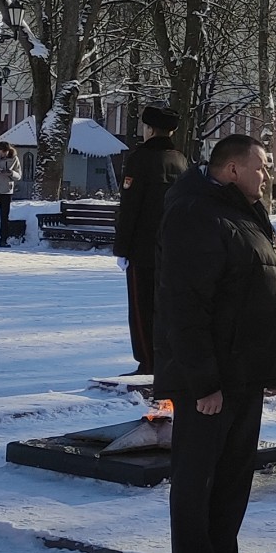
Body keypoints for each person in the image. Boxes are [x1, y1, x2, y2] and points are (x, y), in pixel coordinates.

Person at [154, 134, 276, 553]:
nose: (269, 173)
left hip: (244, 372)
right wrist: (204, 382)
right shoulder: (196, 212)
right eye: (261, 165)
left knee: (234, 480)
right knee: (198, 483)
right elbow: (185, 306)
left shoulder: (242, 209)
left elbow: (265, 288)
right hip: (210, 382)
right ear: (233, 169)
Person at [115, 108, 188, 375]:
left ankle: (147, 361)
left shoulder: (141, 159)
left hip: (143, 247)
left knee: (142, 308)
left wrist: (122, 248)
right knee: (166, 307)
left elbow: (130, 205)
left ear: (148, 129)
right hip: (174, 247)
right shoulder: (180, 160)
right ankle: (166, 359)